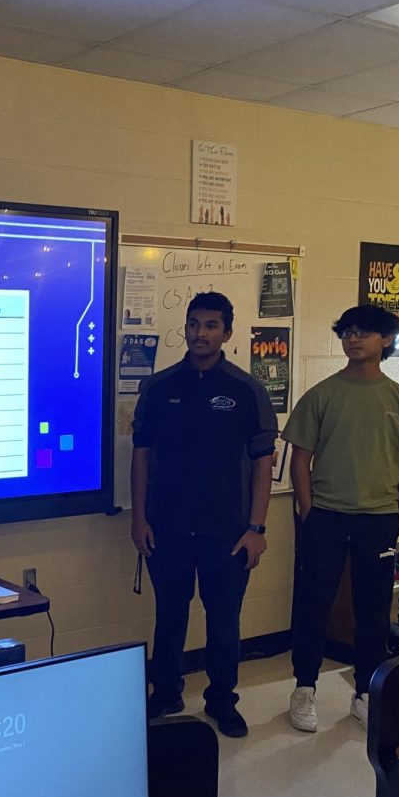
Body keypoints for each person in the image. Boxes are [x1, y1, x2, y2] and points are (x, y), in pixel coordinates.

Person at [130, 292, 277, 738]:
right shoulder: (160, 387)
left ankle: (221, 701)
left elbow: (263, 463)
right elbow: (140, 455)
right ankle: (166, 693)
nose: (200, 333)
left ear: (227, 333)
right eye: (194, 324)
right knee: (170, 615)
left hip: (228, 531)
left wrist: (256, 529)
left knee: (224, 620)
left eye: (211, 325)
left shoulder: (246, 390)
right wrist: (139, 519)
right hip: (167, 527)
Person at [282, 305, 399, 733]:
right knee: (314, 603)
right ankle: (304, 689)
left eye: (363, 332)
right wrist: (309, 512)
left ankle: (365, 692)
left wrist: (398, 516)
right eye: (347, 331)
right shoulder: (323, 394)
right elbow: (300, 461)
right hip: (325, 516)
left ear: (384, 340)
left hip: (378, 520)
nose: (353, 339)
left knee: (373, 610)